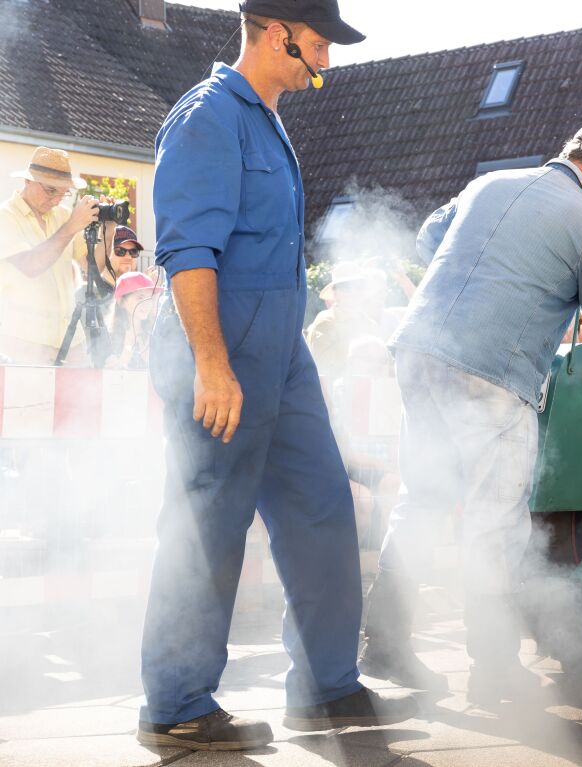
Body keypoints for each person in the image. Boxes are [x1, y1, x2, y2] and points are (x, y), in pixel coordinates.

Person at [138, 0, 414, 752]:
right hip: (220, 353)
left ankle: (326, 688)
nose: (325, 60)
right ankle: (175, 702)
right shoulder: (207, 118)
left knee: (322, 503)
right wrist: (213, 365)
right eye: (318, 43)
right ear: (272, 29)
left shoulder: (266, 117)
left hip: (281, 356)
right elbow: (188, 254)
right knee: (207, 524)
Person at [361, 124, 582, 704]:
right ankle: (492, 670)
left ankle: (384, 642)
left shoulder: (490, 183)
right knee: (495, 521)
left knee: (425, 496)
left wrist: (484, 279)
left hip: (418, 351)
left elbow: (430, 236)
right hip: (490, 371)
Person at [0, 147, 114, 365]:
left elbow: (92, 269)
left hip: (71, 342)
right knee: (29, 400)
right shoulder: (5, 216)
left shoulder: (62, 215)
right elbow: (31, 266)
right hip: (24, 342)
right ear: (28, 181)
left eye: (63, 193)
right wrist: (71, 226)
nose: (56, 200)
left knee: (77, 400)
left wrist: (109, 231)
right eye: (51, 190)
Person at [107, 271, 163, 368]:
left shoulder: (154, 334)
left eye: (150, 298)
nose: (147, 304)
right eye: (140, 297)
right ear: (121, 301)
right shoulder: (109, 338)